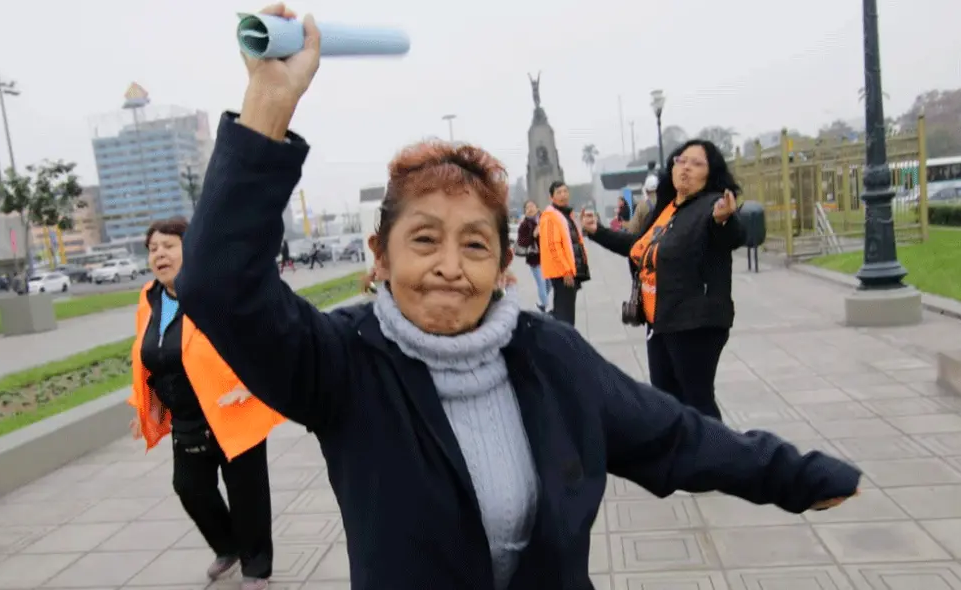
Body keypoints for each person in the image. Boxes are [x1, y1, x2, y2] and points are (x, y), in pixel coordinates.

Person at [175, 8, 861, 588]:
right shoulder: (344, 363)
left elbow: (672, 434)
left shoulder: (549, 355)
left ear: (505, 266)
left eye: (475, 245)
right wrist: (269, 102)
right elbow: (219, 284)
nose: (450, 267)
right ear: (380, 257)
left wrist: (793, 475)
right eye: (424, 240)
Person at [128, 216, 284, 590]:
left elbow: (260, 332)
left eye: (169, 246)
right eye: (153, 248)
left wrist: (252, 382)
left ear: (192, 248)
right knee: (189, 486)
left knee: (247, 494)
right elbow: (148, 354)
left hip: (233, 409)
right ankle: (228, 546)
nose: (159, 254)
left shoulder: (218, 290)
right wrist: (146, 406)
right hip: (186, 414)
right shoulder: (150, 298)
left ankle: (256, 567)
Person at [582, 139, 745, 421]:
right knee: (667, 401)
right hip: (659, 319)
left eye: (697, 164)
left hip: (695, 322)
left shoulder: (710, 206)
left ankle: (717, 449)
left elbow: (732, 235)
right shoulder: (666, 209)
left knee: (697, 401)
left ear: (710, 173)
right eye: (681, 161)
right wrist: (598, 231)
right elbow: (638, 247)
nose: (686, 168)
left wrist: (724, 219)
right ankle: (682, 450)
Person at [538, 180, 590, 326]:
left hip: (570, 271)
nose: (563, 195)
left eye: (565, 191)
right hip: (562, 273)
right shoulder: (550, 217)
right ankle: (562, 337)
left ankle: (561, 333)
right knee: (564, 315)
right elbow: (553, 246)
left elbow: (572, 238)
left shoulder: (566, 214)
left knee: (566, 311)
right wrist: (565, 270)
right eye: (559, 192)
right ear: (552, 197)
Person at [515, 200, 550, 312]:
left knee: (549, 284)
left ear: (537, 208)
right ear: (525, 211)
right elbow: (522, 242)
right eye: (527, 207)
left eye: (532, 206)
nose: (530, 209)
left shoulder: (545, 220)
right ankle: (545, 307)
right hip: (535, 260)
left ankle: (542, 304)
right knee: (541, 283)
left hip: (548, 258)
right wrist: (533, 235)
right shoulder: (524, 225)